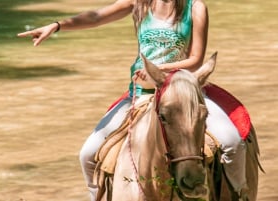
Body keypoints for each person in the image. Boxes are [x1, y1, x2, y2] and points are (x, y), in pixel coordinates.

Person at [18, 0, 247, 200]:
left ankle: (239, 194)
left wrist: (158, 70)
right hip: (140, 94)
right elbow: (96, 17)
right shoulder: (140, 3)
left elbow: (196, 60)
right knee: (88, 154)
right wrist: (57, 26)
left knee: (232, 142)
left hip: (180, 94)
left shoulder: (195, 8)